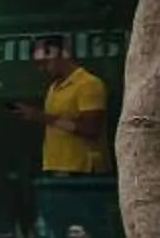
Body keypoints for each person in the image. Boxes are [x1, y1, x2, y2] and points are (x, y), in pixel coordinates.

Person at [11, 36, 110, 176]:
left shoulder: (88, 84)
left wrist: (43, 117)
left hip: (82, 169)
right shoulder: (53, 87)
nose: (42, 69)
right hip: (56, 167)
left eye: (45, 62)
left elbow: (91, 129)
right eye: (38, 64)